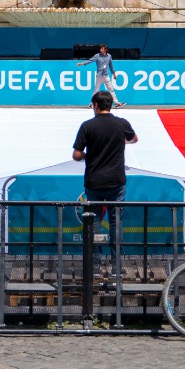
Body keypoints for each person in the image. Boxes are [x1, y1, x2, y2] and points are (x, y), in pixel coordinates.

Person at [72, 91, 138, 258]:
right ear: (110, 105)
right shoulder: (121, 124)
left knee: (93, 221)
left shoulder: (87, 126)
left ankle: (94, 263)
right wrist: (119, 141)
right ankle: (116, 264)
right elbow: (135, 139)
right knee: (115, 223)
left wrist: (90, 153)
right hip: (116, 182)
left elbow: (76, 155)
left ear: (95, 106)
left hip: (94, 182)